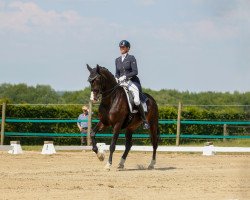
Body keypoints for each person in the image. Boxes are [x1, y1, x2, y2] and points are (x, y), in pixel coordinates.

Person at [115, 40, 150, 129]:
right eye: (120, 47)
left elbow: (135, 71)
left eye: (123, 47)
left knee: (137, 100)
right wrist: (116, 77)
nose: (121, 49)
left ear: (128, 48)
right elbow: (117, 73)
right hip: (121, 82)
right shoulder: (117, 60)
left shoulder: (131, 58)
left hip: (132, 81)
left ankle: (144, 120)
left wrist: (125, 76)